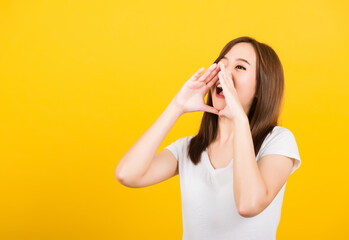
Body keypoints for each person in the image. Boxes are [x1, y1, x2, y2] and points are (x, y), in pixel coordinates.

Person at [115, 36, 302, 240]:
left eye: (240, 67)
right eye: (221, 64)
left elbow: (248, 205)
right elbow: (127, 174)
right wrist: (177, 106)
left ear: (261, 87)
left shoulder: (278, 141)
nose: (224, 72)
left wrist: (239, 118)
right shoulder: (189, 148)